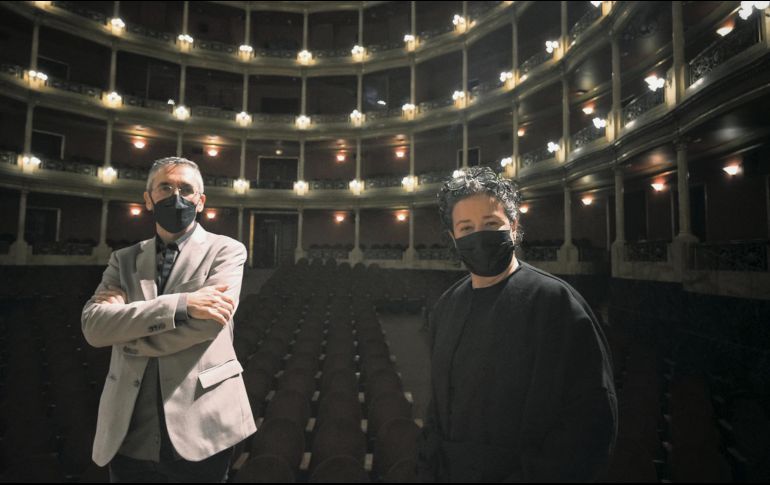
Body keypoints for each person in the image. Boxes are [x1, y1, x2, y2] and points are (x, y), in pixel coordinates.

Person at [417, 166, 617, 482]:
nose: (478, 236)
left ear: (513, 227)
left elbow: (589, 422)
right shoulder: (446, 308)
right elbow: (438, 411)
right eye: (466, 228)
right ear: (453, 239)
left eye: (491, 224)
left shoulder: (558, 304)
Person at [81, 157, 256, 482]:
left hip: (201, 425)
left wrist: (125, 328)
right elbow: (94, 327)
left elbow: (207, 325)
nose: (176, 197)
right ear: (148, 199)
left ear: (200, 201)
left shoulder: (226, 251)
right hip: (129, 430)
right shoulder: (124, 260)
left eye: (186, 189)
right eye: (165, 187)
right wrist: (184, 304)